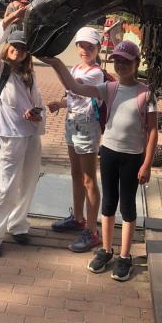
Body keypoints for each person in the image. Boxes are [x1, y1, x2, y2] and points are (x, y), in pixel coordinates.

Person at [41, 40, 158, 281]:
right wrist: (56, 63)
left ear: (137, 63)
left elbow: (153, 130)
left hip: (132, 157)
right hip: (109, 152)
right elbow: (74, 86)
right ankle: (106, 249)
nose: (121, 65)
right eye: (117, 61)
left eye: (126, 61)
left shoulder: (146, 93)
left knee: (127, 205)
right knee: (108, 203)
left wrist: (147, 163)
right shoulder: (109, 88)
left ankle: (125, 256)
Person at [0, 4, 45, 257]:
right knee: (7, 186)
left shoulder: (29, 74)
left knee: (28, 182)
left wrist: (37, 113)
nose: (18, 50)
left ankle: (18, 224)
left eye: (23, 47)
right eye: (14, 45)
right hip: (11, 135)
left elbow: (38, 102)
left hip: (31, 134)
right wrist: (10, 19)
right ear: (8, 46)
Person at [47, 27, 104, 253]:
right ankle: (78, 219)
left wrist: (54, 62)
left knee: (89, 178)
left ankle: (92, 231)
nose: (85, 50)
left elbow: (73, 85)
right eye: (82, 46)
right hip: (72, 122)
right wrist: (59, 104)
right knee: (75, 173)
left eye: (91, 47)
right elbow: (73, 96)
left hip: (87, 126)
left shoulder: (96, 73)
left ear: (98, 48)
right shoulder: (76, 68)